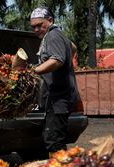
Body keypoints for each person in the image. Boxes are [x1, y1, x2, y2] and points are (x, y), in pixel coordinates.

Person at [30, 7, 79, 157]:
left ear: (50, 20)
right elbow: (73, 47)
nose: (37, 29)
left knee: (54, 141)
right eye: (33, 27)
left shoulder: (52, 35)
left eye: (40, 25)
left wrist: (34, 71)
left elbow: (57, 60)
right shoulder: (58, 35)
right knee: (51, 138)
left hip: (60, 98)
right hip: (58, 98)